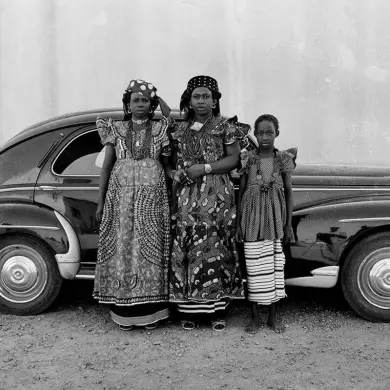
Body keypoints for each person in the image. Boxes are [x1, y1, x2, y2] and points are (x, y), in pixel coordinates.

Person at [169, 75, 250, 331]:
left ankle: (217, 310)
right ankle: (190, 310)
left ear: (215, 101)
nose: (201, 101)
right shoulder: (179, 129)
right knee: (189, 245)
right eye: (197, 96)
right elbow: (170, 162)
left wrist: (202, 168)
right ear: (190, 101)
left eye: (206, 96)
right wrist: (176, 173)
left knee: (216, 246)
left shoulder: (225, 126)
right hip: (186, 198)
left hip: (217, 197)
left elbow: (233, 159)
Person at [93, 79, 173, 331]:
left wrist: (161, 103)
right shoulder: (115, 129)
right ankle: (124, 314)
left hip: (153, 200)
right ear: (128, 104)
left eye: (145, 100)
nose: (140, 104)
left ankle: (152, 314)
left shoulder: (161, 129)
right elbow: (106, 167)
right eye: (135, 100)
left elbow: (172, 127)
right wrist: (100, 201)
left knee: (151, 250)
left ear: (152, 105)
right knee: (124, 248)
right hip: (121, 199)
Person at [236, 114, 297, 333]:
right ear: (255, 134)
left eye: (269, 132)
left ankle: (273, 316)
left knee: (274, 265)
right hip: (252, 218)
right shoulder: (248, 158)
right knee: (253, 264)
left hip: (274, 218)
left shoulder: (283, 159)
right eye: (260, 132)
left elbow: (289, 192)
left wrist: (288, 224)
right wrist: (238, 224)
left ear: (276, 134)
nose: (264, 137)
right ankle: (254, 317)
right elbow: (242, 191)